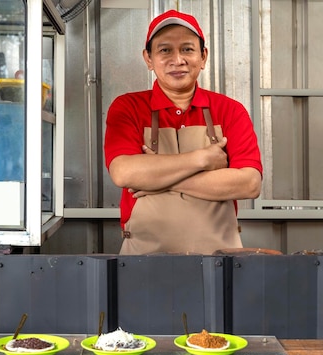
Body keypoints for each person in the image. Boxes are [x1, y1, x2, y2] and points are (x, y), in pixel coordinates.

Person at [104, 9, 263, 255]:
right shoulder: (128, 107)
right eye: (165, 50)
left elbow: (249, 183)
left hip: (221, 262)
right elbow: (124, 173)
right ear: (148, 58)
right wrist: (202, 159)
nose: (177, 60)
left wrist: (158, 179)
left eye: (187, 49)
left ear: (203, 56)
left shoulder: (230, 110)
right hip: (141, 261)